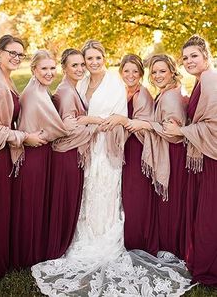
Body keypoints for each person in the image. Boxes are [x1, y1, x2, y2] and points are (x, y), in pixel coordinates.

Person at [31, 43, 193, 296]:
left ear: (104, 58)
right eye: (88, 59)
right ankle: (84, 235)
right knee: (88, 192)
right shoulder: (82, 83)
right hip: (85, 148)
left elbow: (115, 122)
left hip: (107, 148)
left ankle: (106, 239)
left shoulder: (114, 85)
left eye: (97, 57)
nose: (93, 63)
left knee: (106, 192)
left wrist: (89, 122)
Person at [0, 34, 43, 280]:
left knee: (1, 212)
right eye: (12, 52)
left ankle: (0, 259)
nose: (16, 57)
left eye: (20, 54)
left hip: (3, 154)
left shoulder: (5, 78)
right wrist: (24, 137)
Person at [163, 35, 217, 286]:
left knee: (208, 215)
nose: (189, 61)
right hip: (201, 157)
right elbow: (198, 116)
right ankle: (201, 259)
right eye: (185, 58)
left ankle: (209, 267)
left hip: (211, 159)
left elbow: (214, 126)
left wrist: (182, 132)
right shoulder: (200, 81)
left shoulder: (210, 79)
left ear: (205, 56)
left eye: (194, 55)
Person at [11, 50, 69, 270]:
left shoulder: (39, 89)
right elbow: (59, 129)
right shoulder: (35, 94)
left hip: (39, 153)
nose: (49, 72)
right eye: (44, 68)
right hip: (34, 156)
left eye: (52, 68)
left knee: (35, 203)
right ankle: (29, 254)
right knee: (32, 205)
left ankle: (33, 250)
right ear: (33, 70)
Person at [126, 54, 188, 259]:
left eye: (162, 71)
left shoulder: (170, 96)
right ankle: (168, 242)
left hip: (172, 152)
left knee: (170, 200)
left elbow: (172, 131)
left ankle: (173, 245)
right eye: (154, 72)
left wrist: (144, 124)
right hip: (166, 150)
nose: (158, 75)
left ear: (172, 71)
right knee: (165, 201)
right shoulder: (166, 92)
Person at [102, 54, 158, 255]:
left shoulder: (142, 95)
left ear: (141, 74)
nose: (131, 75)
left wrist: (120, 120)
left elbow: (143, 127)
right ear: (121, 72)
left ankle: (138, 240)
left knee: (136, 195)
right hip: (124, 148)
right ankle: (126, 235)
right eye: (127, 71)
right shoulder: (120, 92)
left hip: (137, 150)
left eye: (135, 71)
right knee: (123, 194)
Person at [47, 48, 100, 259]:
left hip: (71, 153)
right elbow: (68, 128)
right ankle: (58, 245)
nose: (79, 68)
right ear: (64, 68)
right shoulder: (66, 92)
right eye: (74, 65)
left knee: (69, 201)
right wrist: (96, 124)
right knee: (65, 201)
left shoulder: (72, 87)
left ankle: (62, 241)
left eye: (81, 64)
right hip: (67, 154)